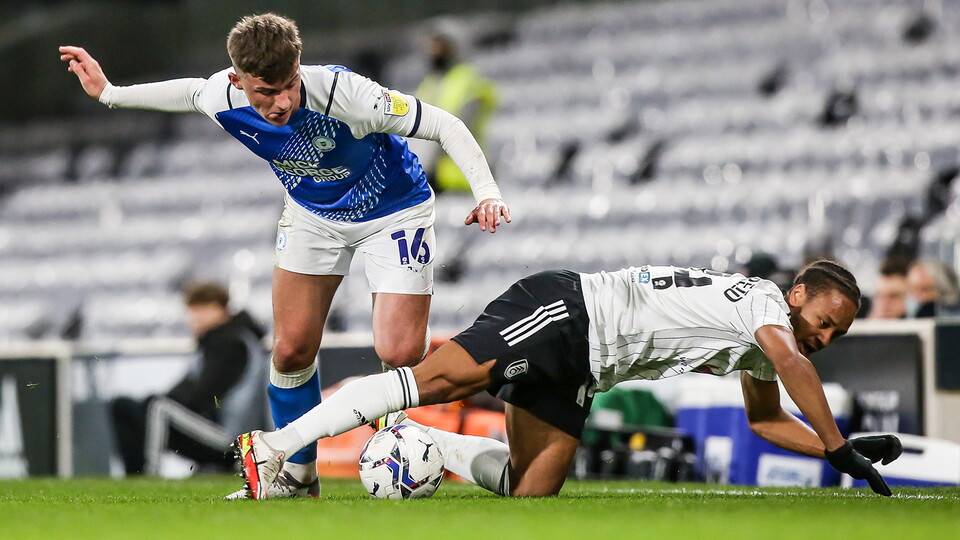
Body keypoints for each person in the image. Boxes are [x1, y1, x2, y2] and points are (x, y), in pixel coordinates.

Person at [61, 13, 510, 497]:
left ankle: (406, 446)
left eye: (289, 86)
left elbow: (444, 122)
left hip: (394, 211)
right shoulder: (222, 95)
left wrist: (485, 192)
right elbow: (190, 92)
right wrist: (109, 92)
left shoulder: (345, 93)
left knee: (398, 351)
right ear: (238, 82)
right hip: (313, 214)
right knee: (291, 349)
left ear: (298, 68)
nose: (281, 103)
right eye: (265, 93)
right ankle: (297, 475)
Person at [235, 261, 902, 499]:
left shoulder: (763, 344)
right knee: (432, 381)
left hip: (586, 365)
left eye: (836, 334)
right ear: (798, 293)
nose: (825, 336)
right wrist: (836, 440)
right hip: (568, 313)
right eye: (823, 320)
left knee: (534, 490)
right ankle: (272, 446)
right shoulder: (762, 306)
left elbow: (764, 418)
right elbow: (793, 364)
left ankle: (426, 448)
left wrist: (833, 452)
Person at [111, 282, 267, 475]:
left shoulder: (230, 343)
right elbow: (188, 391)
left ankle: (147, 475)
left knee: (157, 406)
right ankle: (133, 476)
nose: (196, 318)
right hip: (217, 430)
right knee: (125, 407)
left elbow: (204, 397)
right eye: (193, 311)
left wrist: (159, 405)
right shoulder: (216, 342)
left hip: (232, 439)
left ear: (221, 309)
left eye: (204, 309)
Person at [410, 26, 498, 194]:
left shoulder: (469, 80)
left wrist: (420, 169)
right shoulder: (429, 84)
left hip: (463, 178)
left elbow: (458, 132)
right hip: (430, 179)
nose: (432, 51)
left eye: (438, 45)